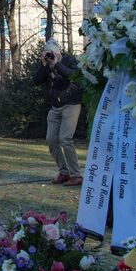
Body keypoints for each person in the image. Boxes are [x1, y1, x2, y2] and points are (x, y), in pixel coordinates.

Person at [33, 38, 84, 187]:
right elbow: (36, 81)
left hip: (71, 104)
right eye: (47, 53)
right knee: (51, 140)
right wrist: (43, 66)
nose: (49, 55)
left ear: (58, 52)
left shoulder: (68, 60)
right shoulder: (46, 64)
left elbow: (74, 76)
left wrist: (57, 64)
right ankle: (64, 172)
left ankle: (76, 175)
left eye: (52, 52)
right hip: (55, 106)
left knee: (65, 139)